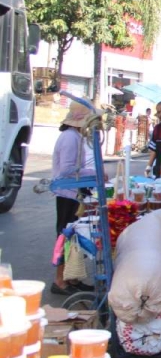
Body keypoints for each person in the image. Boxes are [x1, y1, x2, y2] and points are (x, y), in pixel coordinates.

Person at [51, 102, 99, 296]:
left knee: (75, 238)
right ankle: (60, 281)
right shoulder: (70, 137)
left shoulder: (75, 136)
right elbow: (67, 169)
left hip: (74, 193)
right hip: (68, 195)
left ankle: (72, 278)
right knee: (66, 236)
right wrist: (93, 173)